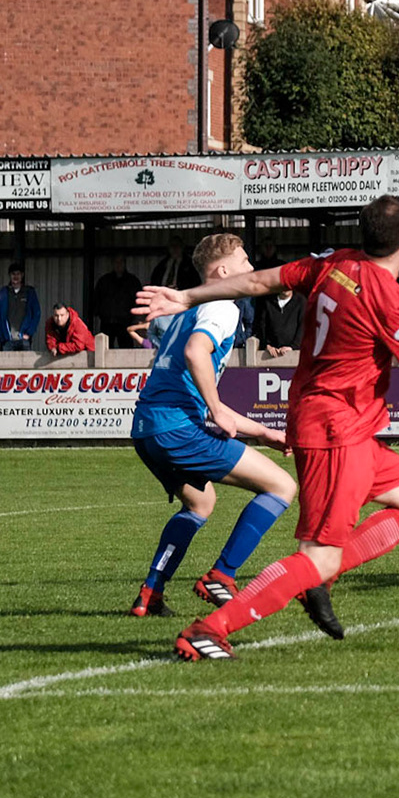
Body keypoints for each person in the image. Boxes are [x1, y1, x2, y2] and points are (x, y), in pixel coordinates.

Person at [138, 195, 399, 661]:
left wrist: (188, 295)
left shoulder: (331, 263)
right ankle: (210, 629)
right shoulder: (394, 303)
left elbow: (257, 281)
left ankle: (314, 578)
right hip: (335, 431)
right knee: (319, 555)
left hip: (345, 425)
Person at [127, 233, 297, 619]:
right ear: (223, 271)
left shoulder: (189, 310)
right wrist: (217, 407)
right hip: (175, 427)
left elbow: (197, 393)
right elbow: (195, 354)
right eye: (245, 262)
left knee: (201, 503)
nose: (252, 269)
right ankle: (222, 575)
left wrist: (265, 433)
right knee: (282, 485)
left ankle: (150, 593)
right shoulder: (223, 306)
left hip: (147, 428)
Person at [92, 256, 141, 350]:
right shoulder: (104, 281)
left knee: (126, 350)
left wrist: (135, 318)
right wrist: (99, 312)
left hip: (125, 322)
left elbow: (138, 300)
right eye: (116, 262)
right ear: (112, 264)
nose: (118, 265)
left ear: (125, 264)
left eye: (121, 262)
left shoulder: (132, 281)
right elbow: (97, 298)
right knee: (105, 349)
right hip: (107, 322)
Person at [0, 261, 38, 351]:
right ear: (9, 275)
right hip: (7, 340)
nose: (16, 277)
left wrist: (29, 333)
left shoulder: (29, 292)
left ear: (22, 275)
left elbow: (36, 313)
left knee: (25, 365)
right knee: (5, 365)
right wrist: (2, 337)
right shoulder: (3, 293)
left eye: (18, 274)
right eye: (13, 274)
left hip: (23, 339)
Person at [255, 286, 304, 358]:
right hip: (271, 353)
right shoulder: (266, 301)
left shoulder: (301, 301)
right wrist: (267, 345)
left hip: (293, 354)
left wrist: (292, 347)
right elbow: (261, 325)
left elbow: (303, 326)